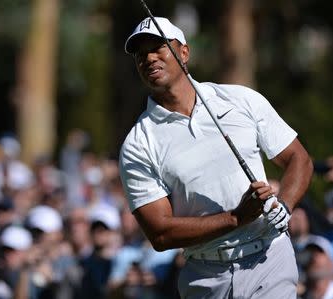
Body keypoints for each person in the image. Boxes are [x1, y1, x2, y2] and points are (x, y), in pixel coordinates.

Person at [118, 17, 314, 298]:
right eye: (140, 54)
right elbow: (160, 233)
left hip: (269, 259)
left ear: (184, 52)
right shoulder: (138, 143)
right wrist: (235, 218)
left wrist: (285, 205)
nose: (149, 58)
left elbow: (298, 159)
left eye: (158, 47)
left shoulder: (239, 99)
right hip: (206, 276)